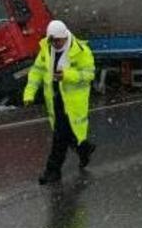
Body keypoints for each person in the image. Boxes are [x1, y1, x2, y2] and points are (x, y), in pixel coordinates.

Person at [24, 20, 97, 184]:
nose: (55, 44)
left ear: (65, 36)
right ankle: (84, 149)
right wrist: (29, 93)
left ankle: (53, 171)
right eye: (52, 41)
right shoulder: (46, 49)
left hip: (73, 102)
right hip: (55, 98)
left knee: (60, 136)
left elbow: (89, 75)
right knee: (66, 133)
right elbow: (36, 71)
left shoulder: (81, 51)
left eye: (58, 40)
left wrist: (67, 75)